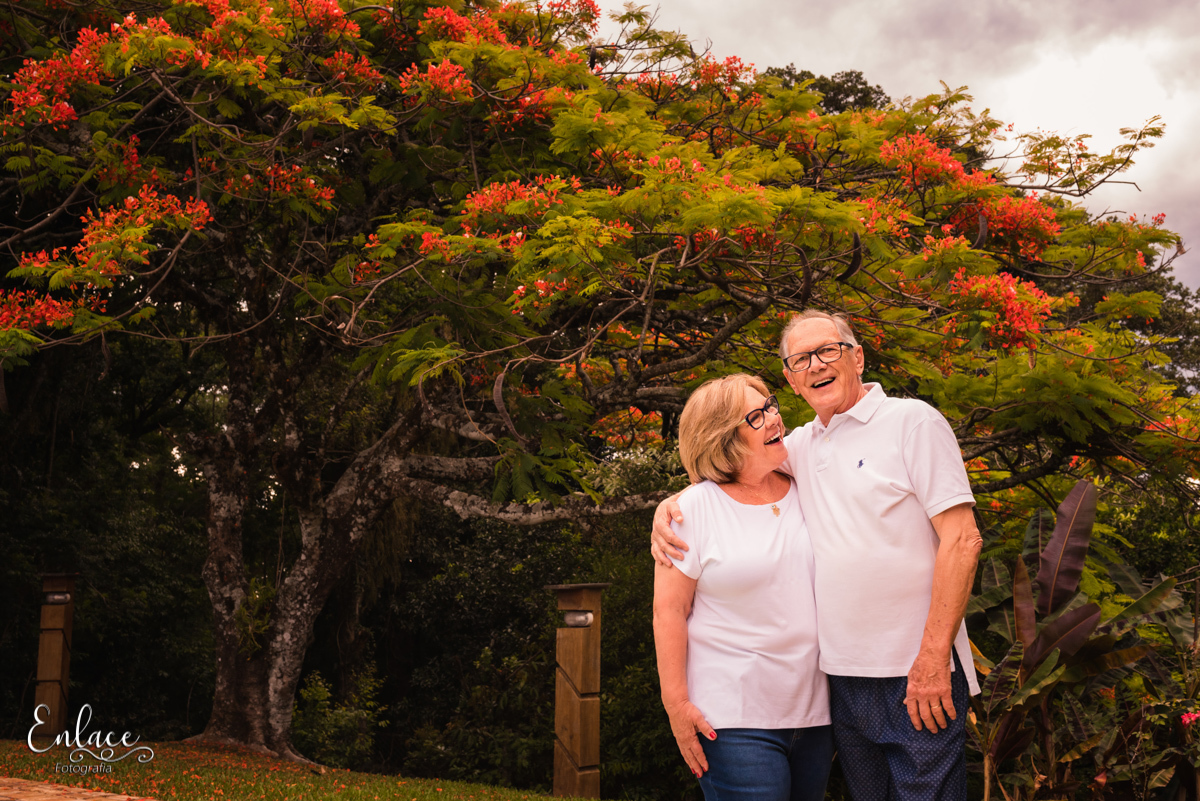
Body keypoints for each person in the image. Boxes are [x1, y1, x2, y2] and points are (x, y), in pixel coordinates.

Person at [652, 310, 982, 801]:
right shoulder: (798, 447)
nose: (816, 365)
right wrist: (672, 504)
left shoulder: (912, 422)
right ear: (790, 377)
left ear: (857, 357)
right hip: (843, 686)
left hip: (916, 673)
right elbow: (735, 469)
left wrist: (933, 659)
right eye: (800, 359)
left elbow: (963, 541)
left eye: (828, 350)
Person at [653, 373, 833, 801]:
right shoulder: (692, 510)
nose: (774, 418)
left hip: (815, 714)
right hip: (731, 719)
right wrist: (676, 706)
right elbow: (668, 613)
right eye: (756, 416)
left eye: (770, 405)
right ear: (722, 439)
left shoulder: (809, 486)